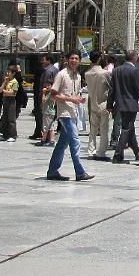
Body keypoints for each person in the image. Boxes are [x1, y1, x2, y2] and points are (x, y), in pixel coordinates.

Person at [46, 51, 93, 182]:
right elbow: (54, 94)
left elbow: (75, 95)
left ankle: (52, 171)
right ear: (67, 60)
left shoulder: (77, 76)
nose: (74, 60)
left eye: (76, 58)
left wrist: (78, 99)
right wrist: (71, 99)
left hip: (73, 112)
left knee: (62, 144)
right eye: (71, 58)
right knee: (75, 141)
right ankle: (80, 172)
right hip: (64, 113)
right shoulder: (61, 75)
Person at [108, 50, 139, 163]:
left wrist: (109, 104)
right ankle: (118, 154)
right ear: (134, 58)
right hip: (131, 105)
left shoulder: (116, 70)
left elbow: (112, 90)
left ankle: (137, 153)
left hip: (119, 104)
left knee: (129, 129)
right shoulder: (134, 71)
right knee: (126, 129)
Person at [85, 51, 111, 161]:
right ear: (100, 58)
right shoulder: (104, 73)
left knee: (93, 129)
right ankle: (101, 152)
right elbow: (110, 86)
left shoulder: (87, 73)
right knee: (104, 129)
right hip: (103, 103)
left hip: (92, 103)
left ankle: (91, 151)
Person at [39, 55, 60, 146]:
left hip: (48, 100)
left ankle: (47, 139)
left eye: (43, 60)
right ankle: (48, 139)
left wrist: (43, 93)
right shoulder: (56, 70)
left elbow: (45, 85)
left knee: (47, 121)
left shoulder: (48, 71)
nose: (41, 62)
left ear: (49, 60)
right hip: (54, 98)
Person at [0, 68, 19, 141]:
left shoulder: (14, 82)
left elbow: (13, 93)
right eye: (7, 72)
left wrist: (4, 91)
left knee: (11, 119)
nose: (7, 74)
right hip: (5, 100)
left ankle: (12, 135)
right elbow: (0, 90)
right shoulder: (7, 81)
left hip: (11, 101)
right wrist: (4, 82)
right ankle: (5, 135)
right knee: (5, 118)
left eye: (9, 72)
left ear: (13, 74)